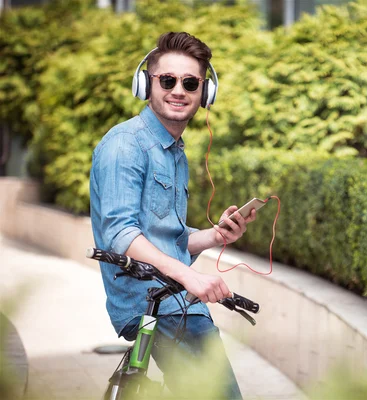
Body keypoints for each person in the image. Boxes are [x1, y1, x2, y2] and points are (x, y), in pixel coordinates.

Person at [89, 32, 255, 399]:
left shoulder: (174, 151)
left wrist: (216, 237)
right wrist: (190, 277)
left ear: (204, 93)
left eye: (190, 82)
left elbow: (170, 240)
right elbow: (120, 234)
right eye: (167, 80)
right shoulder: (125, 145)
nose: (179, 90)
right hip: (153, 306)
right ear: (145, 84)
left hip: (179, 304)